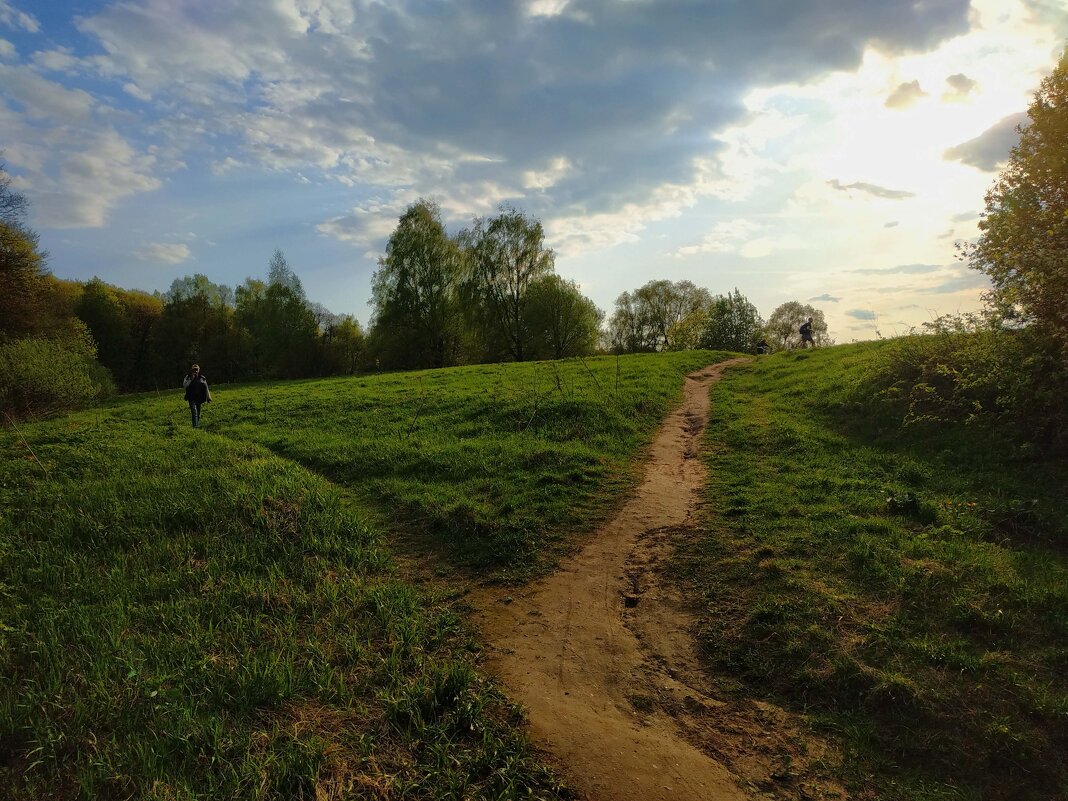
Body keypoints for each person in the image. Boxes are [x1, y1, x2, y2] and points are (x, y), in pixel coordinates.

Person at [183, 363, 212, 428]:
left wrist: (208, 397)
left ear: (199, 370)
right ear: (191, 370)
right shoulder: (188, 377)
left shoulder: (202, 378)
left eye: (196, 369)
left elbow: (206, 388)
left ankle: (197, 425)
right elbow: (185, 386)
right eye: (194, 369)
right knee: (194, 412)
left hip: (199, 398)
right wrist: (191, 379)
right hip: (191, 397)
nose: (195, 371)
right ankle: (195, 426)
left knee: (198, 413)